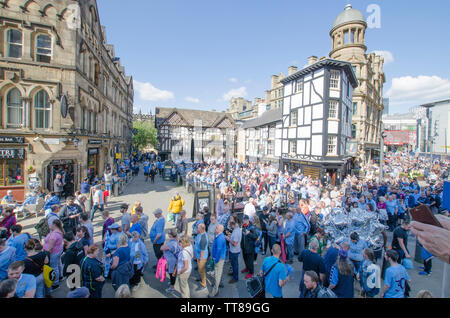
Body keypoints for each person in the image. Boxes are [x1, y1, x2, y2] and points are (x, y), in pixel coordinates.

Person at [43, 219, 64, 290]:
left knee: (54, 267)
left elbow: (50, 247)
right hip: (58, 250)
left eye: (51, 224)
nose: (50, 225)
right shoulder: (59, 231)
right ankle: (60, 276)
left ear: (54, 225)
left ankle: (55, 283)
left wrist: (46, 253)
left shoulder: (54, 235)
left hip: (53, 252)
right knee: (58, 264)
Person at [161, 229, 182, 293]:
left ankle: (172, 287)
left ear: (171, 235)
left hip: (172, 261)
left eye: (169, 234)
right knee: (172, 273)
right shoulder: (175, 241)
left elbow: (161, 248)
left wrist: (163, 246)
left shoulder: (172, 243)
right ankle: (172, 283)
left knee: (172, 273)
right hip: (173, 260)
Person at [209, 224, 227, 298]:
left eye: (216, 227)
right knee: (218, 273)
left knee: (217, 275)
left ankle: (215, 291)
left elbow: (219, 250)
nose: (215, 228)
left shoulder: (220, 238)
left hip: (218, 259)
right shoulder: (219, 235)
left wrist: (215, 259)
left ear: (219, 230)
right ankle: (218, 283)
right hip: (217, 258)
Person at [241, 215, 258, 279]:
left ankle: (251, 272)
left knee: (250, 260)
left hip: (250, 247)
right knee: (245, 259)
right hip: (244, 246)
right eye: (243, 219)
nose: (243, 221)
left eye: (244, 219)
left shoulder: (252, 227)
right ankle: (247, 268)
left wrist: (249, 234)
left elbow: (255, 236)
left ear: (247, 220)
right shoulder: (243, 226)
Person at [194, 223, 208, 292]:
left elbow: (202, 250)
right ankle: (201, 278)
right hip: (198, 255)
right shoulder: (200, 234)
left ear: (201, 229)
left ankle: (204, 284)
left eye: (198, 228)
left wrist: (200, 258)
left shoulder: (203, 238)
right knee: (200, 269)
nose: (197, 229)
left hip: (201, 257)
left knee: (201, 270)